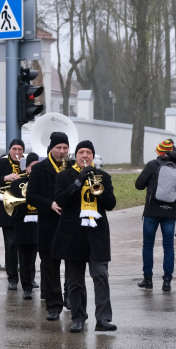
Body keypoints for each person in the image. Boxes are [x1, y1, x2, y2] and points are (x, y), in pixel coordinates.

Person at [52, 140, 116, 333]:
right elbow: (61, 200)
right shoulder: (64, 176)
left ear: (93, 156)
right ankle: (78, 318)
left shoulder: (103, 176)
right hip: (73, 235)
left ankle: (103, 318)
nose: (85, 155)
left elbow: (111, 204)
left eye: (88, 152)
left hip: (97, 236)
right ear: (76, 155)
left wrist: (99, 189)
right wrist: (79, 182)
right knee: (74, 280)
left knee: (100, 276)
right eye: (81, 152)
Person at [27, 132, 73, 320]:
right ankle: (54, 305)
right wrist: (49, 204)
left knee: (72, 265)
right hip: (48, 223)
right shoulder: (39, 169)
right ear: (51, 149)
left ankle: (70, 296)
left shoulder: (73, 167)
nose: (62, 152)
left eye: (65, 148)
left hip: (69, 223)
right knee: (50, 266)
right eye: (58, 148)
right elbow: (31, 196)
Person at [135, 139, 176, 291]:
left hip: (152, 211)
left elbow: (138, 185)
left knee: (148, 245)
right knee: (169, 247)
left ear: (159, 151)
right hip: (170, 212)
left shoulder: (152, 165)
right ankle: (167, 282)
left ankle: (148, 280)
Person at [0, 139, 25, 290]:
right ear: (9, 150)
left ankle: (28, 278)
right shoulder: (0, 164)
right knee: (11, 245)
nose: (17, 152)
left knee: (27, 245)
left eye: (20, 149)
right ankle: (12, 278)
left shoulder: (27, 162)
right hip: (6, 210)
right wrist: (6, 178)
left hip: (25, 210)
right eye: (14, 149)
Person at [12, 153, 40, 300]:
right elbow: (12, 207)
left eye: (37, 166)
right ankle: (26, 288)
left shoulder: (44, 181)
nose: (35, 169)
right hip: (23, 225)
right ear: (27, 168)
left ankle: (37, 283)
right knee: (24, 259)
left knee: (39, 257)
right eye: (32, 167)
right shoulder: (18, 183)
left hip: (39, 224)